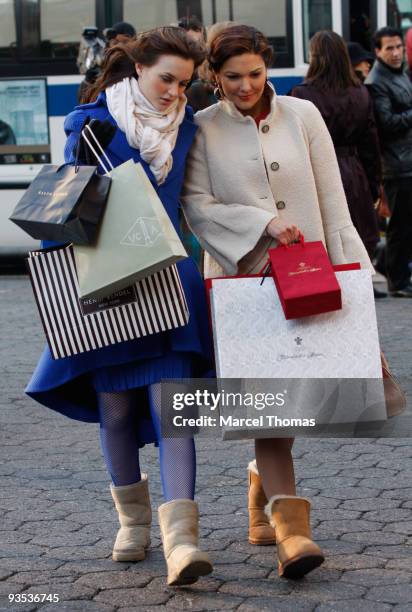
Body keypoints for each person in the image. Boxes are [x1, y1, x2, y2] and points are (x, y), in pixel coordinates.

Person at [181, 24, 372, 579]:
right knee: (270, 412)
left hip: (311, 275)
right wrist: (263, 222)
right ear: (215, 77)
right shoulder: (202, 129)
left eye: (256, 74)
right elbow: (197, 206)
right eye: (233, 77)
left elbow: (332, 199)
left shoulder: (303, 115)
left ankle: (261, 492)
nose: (246, 87)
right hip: (246, 283)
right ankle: (294, 534)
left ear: (270, 67)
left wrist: (353, 270)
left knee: (295, 403)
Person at [26, 26, 214, 587]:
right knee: (116, 410)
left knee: (171, 409)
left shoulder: (188, 131)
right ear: (138, 69)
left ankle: (182, 540)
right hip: (109, 283)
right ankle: (132, 524)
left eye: (184, 84)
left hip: (168, 286)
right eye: (166, 79)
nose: (175, 93)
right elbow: (69, 206)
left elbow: (196, 203)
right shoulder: (92, 124)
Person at [290, 31, 385, 298]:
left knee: (323, 240)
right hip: (354, 172)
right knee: (354, 237)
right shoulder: (361, 93)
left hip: (317, 172)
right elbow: (371, 145)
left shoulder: (302, 94)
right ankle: (357, 293)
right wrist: (375, 185)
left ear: (314, 57)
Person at [365, 27, 412, 297]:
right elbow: (388, 123)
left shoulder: (400, 74)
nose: (396, 53)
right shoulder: (377, 82)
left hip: (407, 162)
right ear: (378, 52)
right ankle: (398, 281)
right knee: (400, 226)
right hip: (396, 165)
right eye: (389, 49)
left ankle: (388, 263)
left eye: (399, 47)